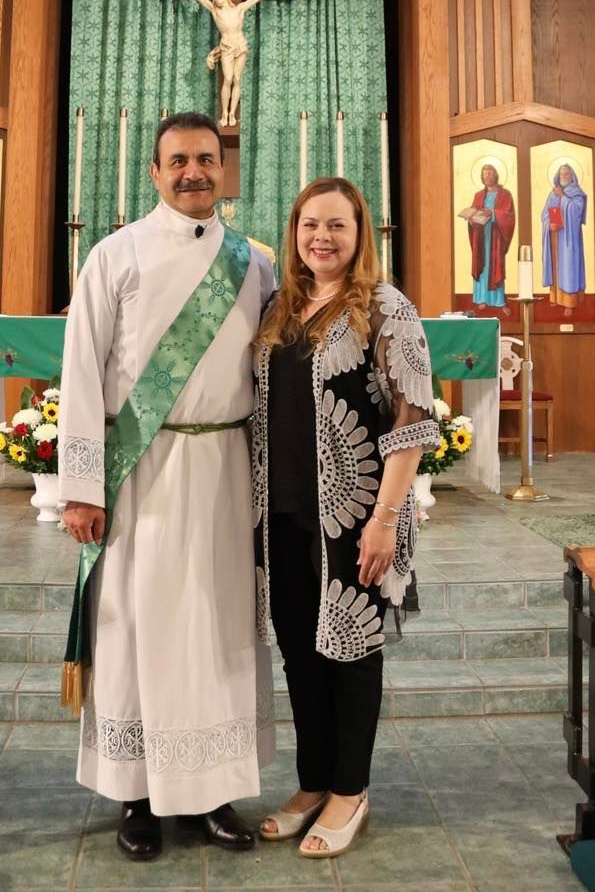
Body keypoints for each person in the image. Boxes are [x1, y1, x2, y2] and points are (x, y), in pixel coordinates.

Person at [58, 111, 276, 863]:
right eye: (178, 160)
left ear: (223, 170)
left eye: (206, 160)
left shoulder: (254, 264)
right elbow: (81, 373)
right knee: (139, 628)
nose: (193, 172)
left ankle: (213, 792)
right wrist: (82, 488)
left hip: (225, 472)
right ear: (154, 172)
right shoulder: (114, 256)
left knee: (216, 630)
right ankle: (139, 795)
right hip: (141, 473)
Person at [253, 176, 439, 858]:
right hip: (281, 511)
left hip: (356, 515)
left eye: (336, 225)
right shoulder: (280, 307)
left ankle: (350, 790)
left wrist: (386, 519)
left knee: (352, 652)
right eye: (310, 225)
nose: (321, 238)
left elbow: (412, 421)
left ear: (360, 233)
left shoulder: (386, 308)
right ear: (294, 233)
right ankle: (313, 782)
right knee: (301, 652)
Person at [179, 0, 278, 126]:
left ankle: (232, 113)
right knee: (228, 79)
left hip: (240, 45)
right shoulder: (215, 11)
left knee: (237, 79)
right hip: (226, 47)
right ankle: (224, 113)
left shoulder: (239, 9)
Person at [458, 162, 515, 310]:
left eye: (489, 173)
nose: (487, 177)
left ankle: (499, 301)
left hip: (496, 237)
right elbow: (474, 212)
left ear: (495, 175)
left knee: (496, 267)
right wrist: (471, 220)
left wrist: (493, 213)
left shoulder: (505, 195)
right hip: (481, 237)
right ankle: (482, 298)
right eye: (484, 174)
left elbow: (509, 216)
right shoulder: (478, 195)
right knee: (482, 267)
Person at [541, 162, 587, 314]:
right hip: (555, 238)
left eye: (566, 174)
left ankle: (570, 303)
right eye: (561, 174)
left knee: (568, 267)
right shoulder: (554, 192)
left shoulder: (577, 193)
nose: (563, 177)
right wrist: (549, 224)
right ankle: (556, 298)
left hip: (569, 239)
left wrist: (563, 197)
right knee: (556, 267)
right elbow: (544, 214)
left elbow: (576, 212)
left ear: (572, 176)